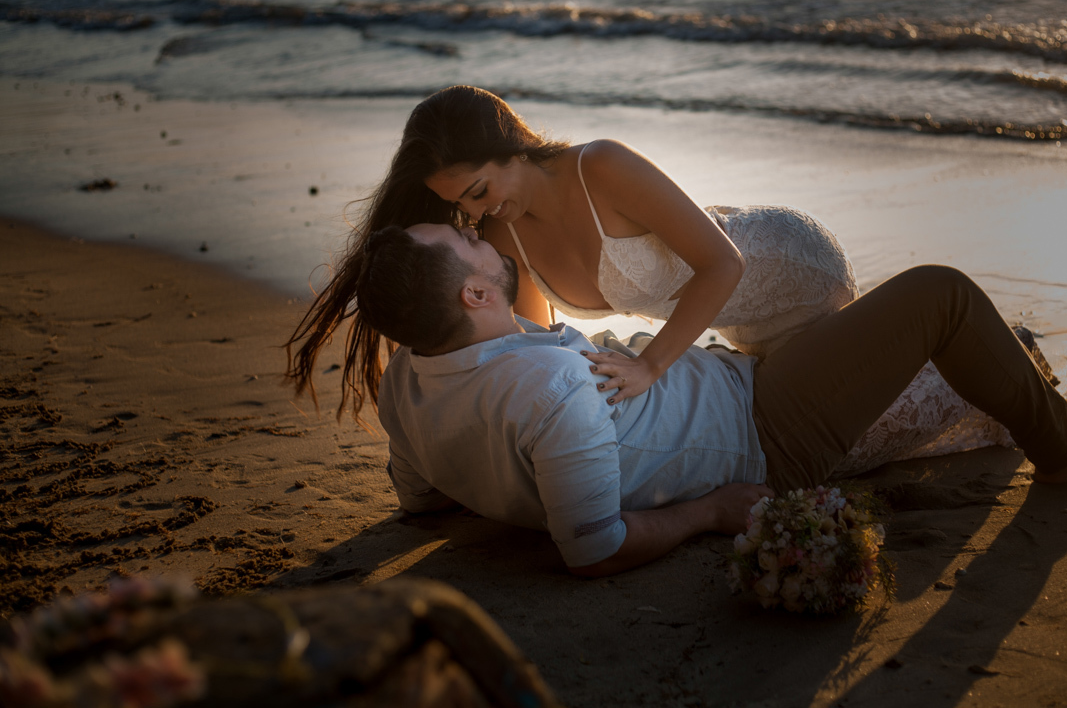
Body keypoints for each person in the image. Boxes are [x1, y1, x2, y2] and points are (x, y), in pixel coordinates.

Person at [285, 86, 1024, 475]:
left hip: (787, 270)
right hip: (735, 326)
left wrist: (649, 364)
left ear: (508, 147)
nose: (475, 214)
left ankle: (989, 351)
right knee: (836, 424)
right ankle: (951, 354)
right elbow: (536, 341)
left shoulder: (597, 165)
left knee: (846, 439)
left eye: (477, 190)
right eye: (459, 206)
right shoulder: (502, 234)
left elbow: (724, 263)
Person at [354, 222, 1067, 576]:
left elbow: (420, 498)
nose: (483, 237)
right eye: (467, 241)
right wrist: (707, 513)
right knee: (939, 295)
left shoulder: (408, 379)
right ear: (471, 294)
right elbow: (591, 549)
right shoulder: (549, 388)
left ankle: (1012, 395)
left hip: (734, 388)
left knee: (886, 330)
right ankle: (1064, 450)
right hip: (763, 427)